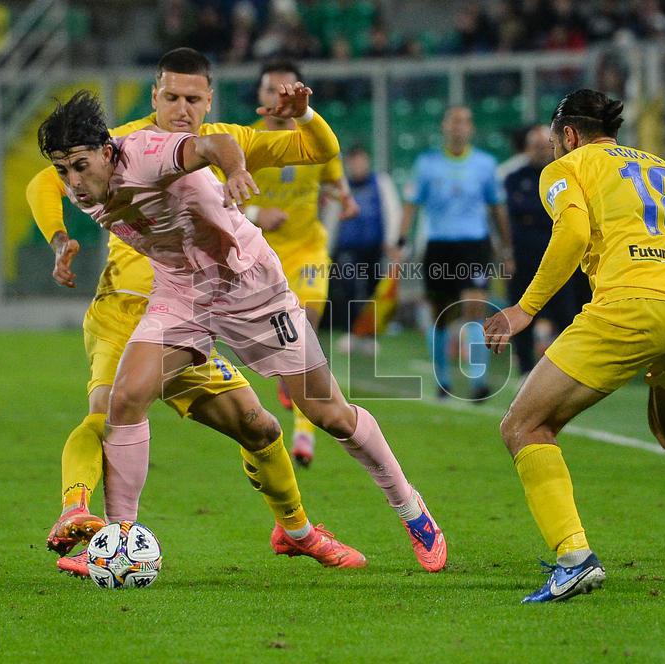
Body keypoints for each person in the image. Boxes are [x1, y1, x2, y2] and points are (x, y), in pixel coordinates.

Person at [37, 91, 448, 573]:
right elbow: (42, 188)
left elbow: (216, 147)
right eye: (64, 170)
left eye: (80, 167)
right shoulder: (81, 186)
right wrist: (59, 240)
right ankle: (118, 544)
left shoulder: (146, 152)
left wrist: (234, 172)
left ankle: (412, 511)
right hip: (182, 293)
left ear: (107, 152)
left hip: (249, 286)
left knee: (328, 412)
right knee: (125, 398)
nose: (74, 182)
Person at [484, 89, 665, 603]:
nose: (554, 150)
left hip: (630, 304)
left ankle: (574, 559)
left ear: (569, 135)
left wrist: (524, 309)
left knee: (524, 425)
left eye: (555, 142)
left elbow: (573, 232)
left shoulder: (567, 167)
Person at [242, 60, 359, 467]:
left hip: (309, 248)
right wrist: (257, 213)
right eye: (269, 89)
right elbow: (219, 198)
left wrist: (346, 198)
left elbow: (334, 174)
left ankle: (305, 432)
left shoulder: (314, 137)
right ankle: (291, 389)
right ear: (259, 96)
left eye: (284, 90)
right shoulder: (245, 142)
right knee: (284, 346)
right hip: (261, 255)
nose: (277, 98)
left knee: (306, 330)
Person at [398, 105, 514, 401]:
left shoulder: (485, 164)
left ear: (471, 128)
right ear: (444, 127)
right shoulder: (427, 164)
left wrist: (506, 247)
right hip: (439, 245)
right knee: (441, 315)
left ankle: (478, 381)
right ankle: (444, 379)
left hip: (474, 245)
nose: (459, 126)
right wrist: (401, 240)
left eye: (465, 121)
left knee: (475, 308)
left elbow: (497, 207)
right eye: (454, 121)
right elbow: (411, 204)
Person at [503, 124, 587, 375]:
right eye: (535, 146)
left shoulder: (565, 174)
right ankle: (525, 369)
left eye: (544, 146)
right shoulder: (514, 177)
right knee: (522, 313)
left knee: (566, 315)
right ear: (527, 149)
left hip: (560, 259)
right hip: (523, 258)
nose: (540, 151)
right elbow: (515, 212)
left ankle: (568, 369)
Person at [330, 145, 401, 354]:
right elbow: (332, 216)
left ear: (367, 161)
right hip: (347, 246)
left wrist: (392, 241)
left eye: (360, 160)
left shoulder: (381, 182)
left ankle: (369, 335)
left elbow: (392, 210)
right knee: (348, 287)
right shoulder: (341, 185)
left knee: (372, 290)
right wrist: (327, 247)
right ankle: (351, 332)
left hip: (374, 247)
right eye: (353, 161)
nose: (357, 165)